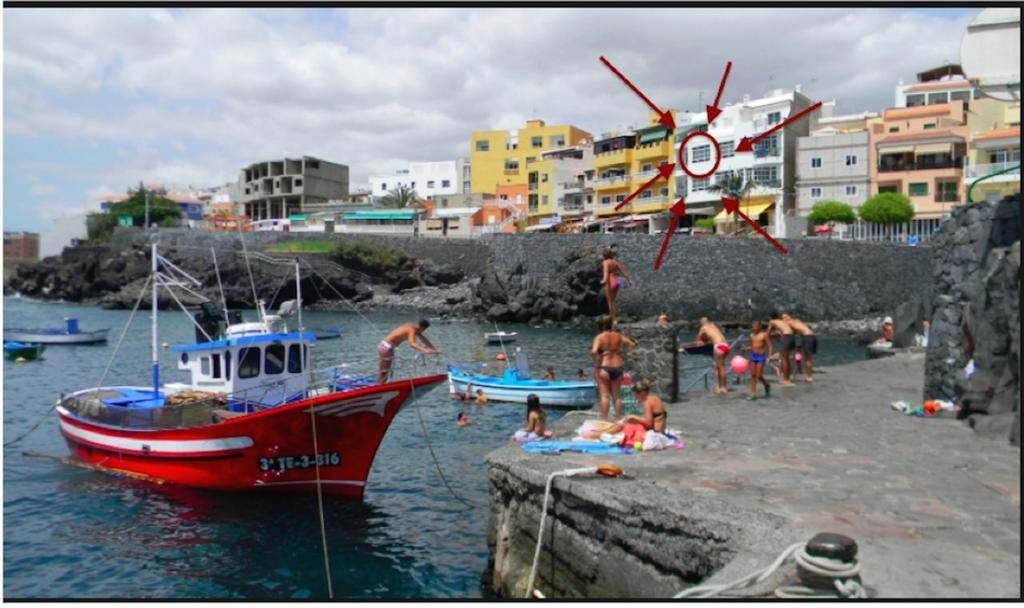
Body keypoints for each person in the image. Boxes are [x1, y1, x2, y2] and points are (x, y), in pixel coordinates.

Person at [591, 314, 637, 421]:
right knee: (617, 396)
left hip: (604, 367)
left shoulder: (599, 337)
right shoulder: (618, 336)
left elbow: (593, 352)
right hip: (618, 366)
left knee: (604, 396)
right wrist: (620, 351)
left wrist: (598, 362)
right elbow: (632, 344)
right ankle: (617, 419)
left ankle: (604, 420)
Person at [696, 317, 730, 395]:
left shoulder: (703, 328)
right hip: (726, 346)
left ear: (701, 323)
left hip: (718, 346)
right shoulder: (713, 325)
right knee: (718, 366)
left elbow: (698, 339)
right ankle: (720, 387)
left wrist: (702, 341)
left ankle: (722, 387)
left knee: (720, 367)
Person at [600, 248, 634, 326]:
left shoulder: (605, 262)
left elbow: (605, 272)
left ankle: (614, 320)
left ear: (604, 255)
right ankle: (613, 318)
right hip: (616, 282)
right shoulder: (615, 262)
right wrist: (629, 280)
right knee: (613, 302)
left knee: (610, 303)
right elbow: (623, 271)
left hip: (609, 282)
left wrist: (604, 280)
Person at [742, 321, 772, 400]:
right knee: (752, 376)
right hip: (753, 356)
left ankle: (766, 385)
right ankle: (753, 394)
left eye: (756, 327)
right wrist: (746, 348)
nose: (754, 328)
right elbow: (752, 346)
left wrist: (769, 357)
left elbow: (770, 346)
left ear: (760, 327)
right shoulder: (751, 335)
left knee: (758, 375)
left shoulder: (764, 335)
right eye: (753, 327)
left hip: (761, 356)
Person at [782, 313, 816, 383]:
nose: (784, 319)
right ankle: (809, 376)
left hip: (807, 337)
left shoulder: (789, 323)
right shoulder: (797, 320)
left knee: (807, 359)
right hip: (812, 336)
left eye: (784, 317)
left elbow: (790, 334)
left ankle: (809, 377)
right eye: (783, 318)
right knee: (809, 358)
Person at [767, 312, 795, 386]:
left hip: (786, 337)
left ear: (770, 317)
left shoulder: (772, 321)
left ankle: (785, 380)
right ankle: (787, 378)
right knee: (787, 359)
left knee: (784, 359)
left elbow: (767, 333)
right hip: (792, 337)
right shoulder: (782, 321)